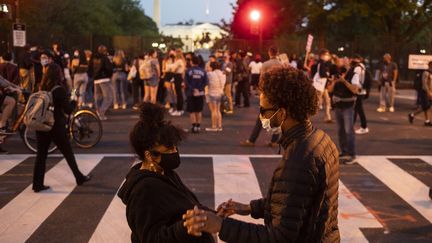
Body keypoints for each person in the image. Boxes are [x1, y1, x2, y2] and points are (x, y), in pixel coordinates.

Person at [183, 67, 340, 243]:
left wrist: (221, 225)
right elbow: (296, 202)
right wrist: (249, 208)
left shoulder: (298, 159)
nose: (261, 116)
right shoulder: (320, 139)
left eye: (264, 110)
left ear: (281, 113)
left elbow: (280, 237)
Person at [117, 103, 215, 243]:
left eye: (175, 147)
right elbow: (151, 238)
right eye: (169, 150)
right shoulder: (143, 189)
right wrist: (184, 228)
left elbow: (189, 204)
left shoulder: (165, 172)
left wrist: (214, 215)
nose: (174, 152)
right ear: (150, 155)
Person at [33, 63, 91, 193]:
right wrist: (74, 102)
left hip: (41, 125)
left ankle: (37, 184)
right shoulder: (59, 89)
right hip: (55, 126)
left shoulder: (40, 86)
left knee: (41, 155)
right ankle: (79, 177)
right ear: (58, 74)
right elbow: (68, 110)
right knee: (68, 153)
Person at [240, 46, 282, 147]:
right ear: (278, 53)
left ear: (269, 53)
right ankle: (274, 141)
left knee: (261, 119)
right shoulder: (282, 65)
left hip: (268, 94)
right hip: (279, 94)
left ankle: (252, 140)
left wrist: (261, 93)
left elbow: (262, 80)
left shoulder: (266, 64)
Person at [328, 55, 362, 164]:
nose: (341, 64)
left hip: (348, 106)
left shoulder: (354, 75)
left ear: (348, 65)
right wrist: (335, 82)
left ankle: (352, 154)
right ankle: (344, 151)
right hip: (338, 106)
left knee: (349, 130)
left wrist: (344, 81)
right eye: (340, 62)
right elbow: (329, 89)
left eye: (344, 62)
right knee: (340, 130)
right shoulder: (336, 75)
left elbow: (355, 90)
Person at [89, 45, 113, 121]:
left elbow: (90, 68)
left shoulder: (93, 58)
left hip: (96, 79)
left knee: (98, 97)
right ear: (104, 51)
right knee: (108, 97)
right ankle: (101, 112)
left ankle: (97, 112)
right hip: (104, 78)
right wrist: (109, 75)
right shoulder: (105, 58)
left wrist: (93, 75)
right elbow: (109, 68)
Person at [185, 56, 208, 133]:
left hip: (191, 93)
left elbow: (187, 82)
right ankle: (198, 126)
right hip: (200, 93)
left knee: (192, 111)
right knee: (199, 110)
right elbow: (205, 82)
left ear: (191, 62)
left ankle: (194, 126)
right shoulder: (203, 71)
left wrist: (193, 89)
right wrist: (199, 89)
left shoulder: (188, 71)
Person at [409, 61, 432, 126]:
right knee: (426, 107)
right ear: (430, 65)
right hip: (425, 92)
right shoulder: (426, 73)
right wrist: (428, 92)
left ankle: (413, 115)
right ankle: (426, 121)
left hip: (430, 92)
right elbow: (424, 84)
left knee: (426, 107)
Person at [313, 48, 333, 123]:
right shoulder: (321, 63)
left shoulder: (325, 63)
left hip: (323, 86)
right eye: (326, 55)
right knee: (317, 103)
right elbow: (321, 74)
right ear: (322, 55)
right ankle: (305, 117)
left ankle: (328, 117)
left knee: (327, 101)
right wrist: (328, 77)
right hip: (320, 85)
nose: (327, 56)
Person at [205, 62, 226, 132]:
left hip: (212, 93)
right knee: (218, 110)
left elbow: (206, 82)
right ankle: (219, 126)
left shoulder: (210, 74)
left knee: (213, 111)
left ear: (212, 67)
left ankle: (214, 126)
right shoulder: (222, 73)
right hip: (220, 93)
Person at [170, 49, 186, 116]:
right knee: (180, 94)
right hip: (180, 77)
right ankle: (180, 109)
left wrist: (171, 67)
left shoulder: (179, 61)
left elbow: (173, 69)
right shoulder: (182, 61)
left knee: (178, 94)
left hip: (177, 76)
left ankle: (179, 109)